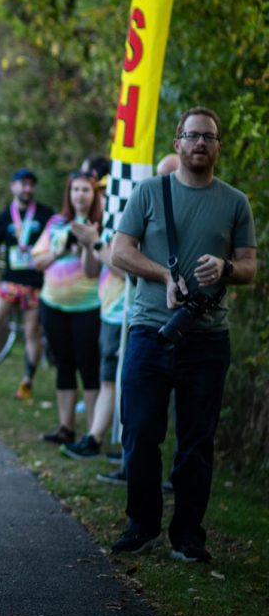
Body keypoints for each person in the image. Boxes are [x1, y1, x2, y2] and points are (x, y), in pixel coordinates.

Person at [109, 108, 256, 563]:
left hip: (208, 338)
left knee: (196, 440)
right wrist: (163, 276)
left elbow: (251, 267)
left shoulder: (235, 202)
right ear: (177, 143)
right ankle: (142, 525)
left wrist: (226, 268)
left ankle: (189, 535)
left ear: (217, 147)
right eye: (192, 136)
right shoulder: (150, 192)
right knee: (140, 431)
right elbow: (120, 252)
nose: (200, 144)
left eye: (208, 137)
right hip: (151, 331)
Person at [63, 154, 180, 465]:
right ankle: (103, 439)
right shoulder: (129, 214)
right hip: (110, 311)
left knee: (116, 381)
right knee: (108, 378)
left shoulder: (162, 220)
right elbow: (92, 271)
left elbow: (127, 270)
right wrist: (90, 244)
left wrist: (98, 244)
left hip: (127, 314)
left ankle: (98, 439)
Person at [0, 168, 54, 400]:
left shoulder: (45, 214)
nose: (26, 189)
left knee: (32, 332)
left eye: (30, 184)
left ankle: (27, 382)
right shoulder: (4, 216)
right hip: (9, 282)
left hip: (37, 284)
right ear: (13, 186)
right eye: (22, 184)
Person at [31, 172, 103, 446]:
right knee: (63, 365)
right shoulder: (56, 223)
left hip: (87, 307)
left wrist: (86, 245)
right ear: (68, 193)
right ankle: (65, 427)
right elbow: (38, 262)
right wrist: (59, 251)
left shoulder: (100, 225)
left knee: (88, 367)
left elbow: (93, 271)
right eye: (75, 190)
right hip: (53, 305)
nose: (80, 195)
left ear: (93, 194)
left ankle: (92, 433)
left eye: (86, 190)